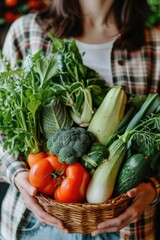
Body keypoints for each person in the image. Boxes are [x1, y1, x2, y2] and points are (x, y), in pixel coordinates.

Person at [0, 0, 160, 239]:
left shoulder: (155, 45)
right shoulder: (27, 32)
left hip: (125, 228)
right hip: (36, 222)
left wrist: (153, 189)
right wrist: (19, 176)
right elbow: (4, 127)